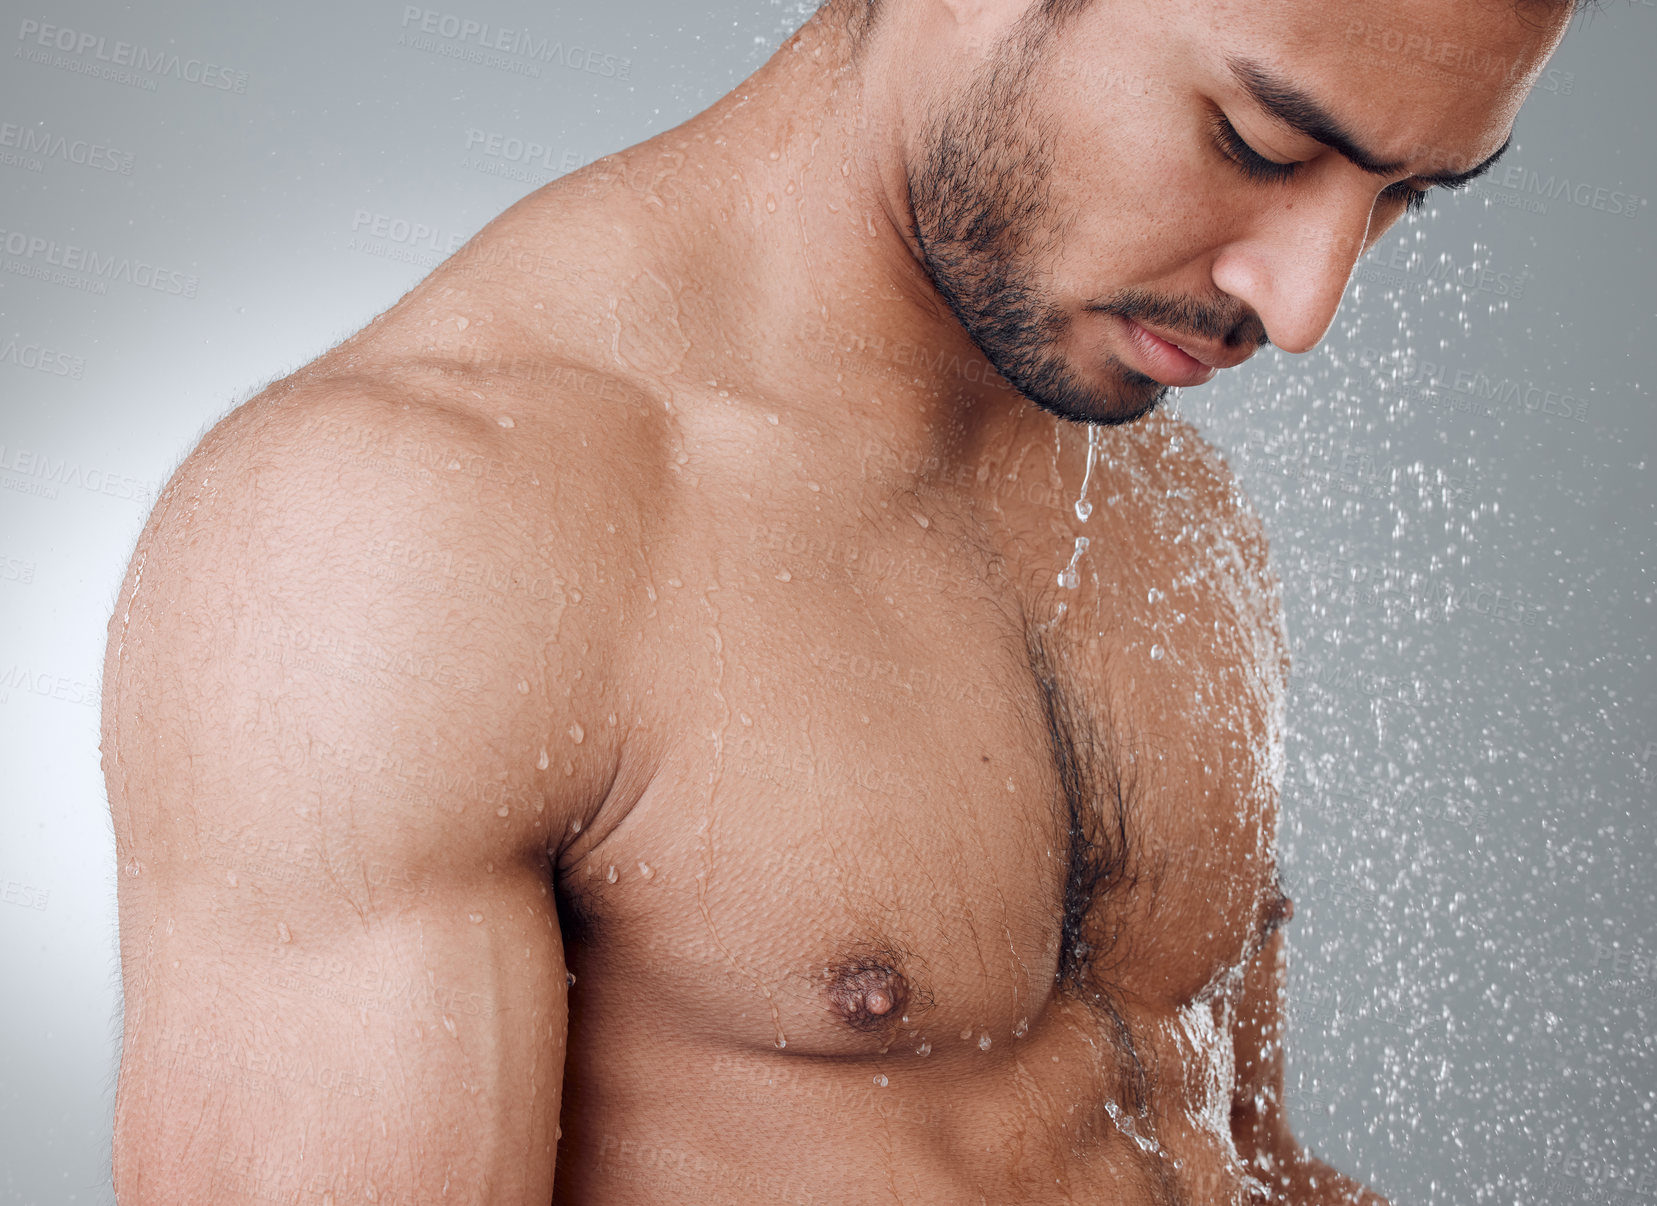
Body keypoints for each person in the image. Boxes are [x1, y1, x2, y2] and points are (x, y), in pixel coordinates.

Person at [101, 0, 1578, 1200]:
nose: (1306, 301)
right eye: (1255, 143)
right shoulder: (405, 530)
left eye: (1398, 201)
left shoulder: (1163, 505)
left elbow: (1214, 1155)